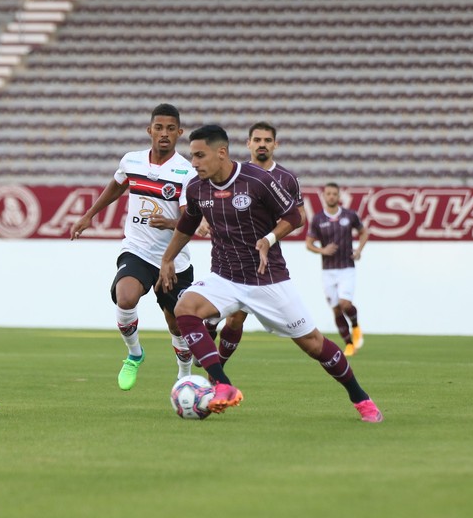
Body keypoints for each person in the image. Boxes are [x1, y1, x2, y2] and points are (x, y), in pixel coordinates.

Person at [157, 125, 383, 423]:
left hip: (267, 279)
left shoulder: (258, 180)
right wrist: (167, 259)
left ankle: (361, 399)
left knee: (314, 345)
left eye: (200, 155)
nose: (194, 162)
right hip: (224, 276)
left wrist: (269, 239)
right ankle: (222, 384)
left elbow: (294, 217)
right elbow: (188, 224)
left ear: (221, 152)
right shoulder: (197, 188)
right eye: (192, 156)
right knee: (185, 308)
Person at [71, 103, 195, 390]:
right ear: (149, 130)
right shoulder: (132, 161)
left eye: (170, 129)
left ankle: (184, 374)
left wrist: (171, 222)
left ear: (180, 132)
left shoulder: (186, 172)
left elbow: (190, 220)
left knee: (177, 323)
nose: (164, 134)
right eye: (159, 128)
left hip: (173, 258)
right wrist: (89, 215)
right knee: (124, 297)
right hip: (137, 250)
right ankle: (134, 354)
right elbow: (117, 185)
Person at [197, 121, 306, 368]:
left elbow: (300, 217)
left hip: (262, 259)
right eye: (257, 140)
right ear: (248, 144)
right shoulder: (235, 172)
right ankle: (210, 328)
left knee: (236, 320)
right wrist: (204, 219)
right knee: (218, 310)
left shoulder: (287, 178)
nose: (262, 144)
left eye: (267, 140)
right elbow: (210, 198)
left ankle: (218, 366)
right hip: (228, 255)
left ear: (275, 145)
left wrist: (271, 234)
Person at [305, 182, 370, 356]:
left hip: (347, 267)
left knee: (344, 303)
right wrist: (322, 250)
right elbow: (309, 244)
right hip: (328, 270)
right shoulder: (318, 219)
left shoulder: (349, 215)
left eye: (334, 194)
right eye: (328, 194)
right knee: (335, 308)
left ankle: (355, 326)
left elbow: (364, 232)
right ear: (324, 196)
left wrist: (358, 250)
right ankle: (349, 343)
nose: (332, 196)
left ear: (339, 196)